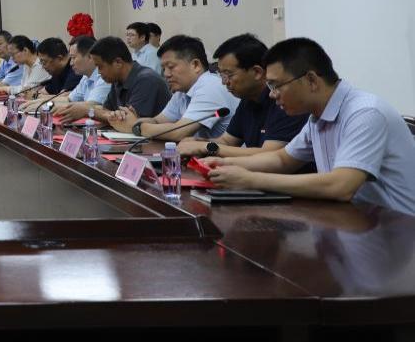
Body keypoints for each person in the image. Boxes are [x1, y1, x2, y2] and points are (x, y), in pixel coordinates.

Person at [204, 38, 415, 215]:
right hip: (353, 221)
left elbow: (341, 186)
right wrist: (222, 163)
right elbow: (282, 160)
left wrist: (251, 180)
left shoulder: (365, 113)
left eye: (276, 85)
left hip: (398, 233)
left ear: (311, 80)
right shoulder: (317, 117)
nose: (272, 94)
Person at [176, 34, 308, 158]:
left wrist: (206, 147)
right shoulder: (247, 100)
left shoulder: (284, 100)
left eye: (229, 74)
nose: (224, 82)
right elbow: (228, 141)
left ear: (257, 72)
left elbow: (269, 155)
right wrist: (199, 142)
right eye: (221, 75)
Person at [108, 35, 239, 140]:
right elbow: (157, 121)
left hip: (229, 159)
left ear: (195, 65)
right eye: (163, 68)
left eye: (171, 67)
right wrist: (125, 120)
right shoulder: (182, 91)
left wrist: (136, 126)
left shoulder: (210, 86)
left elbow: (178, 132)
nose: (166, 74)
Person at [91, 36, 172, 120]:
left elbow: (127, 121)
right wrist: (103, 113)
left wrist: (89, 111)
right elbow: (107, 110)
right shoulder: (117, 79)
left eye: (100, 66)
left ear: (118, 62)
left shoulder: (146, 80)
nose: (99, 72)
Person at [53, 36, 112, 123]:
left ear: (90, 57)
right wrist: (41, 103)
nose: (71, 63)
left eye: (73, 57)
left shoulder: (104, 77)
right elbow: (69, 99)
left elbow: (89, 106)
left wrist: (58, 106)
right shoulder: (86, 76)